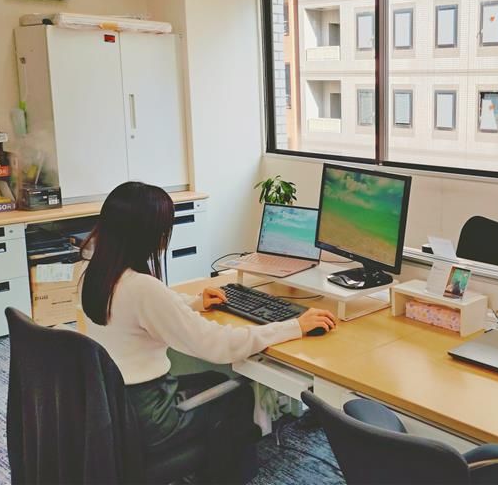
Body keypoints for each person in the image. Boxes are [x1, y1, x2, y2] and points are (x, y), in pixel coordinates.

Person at [80, 182, 336, 484]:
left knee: (215, 380)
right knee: (238, 396)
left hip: (113, 405)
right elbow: (218, 345)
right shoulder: (143, 288)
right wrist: (294, 326)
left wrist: (194, 303)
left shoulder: (90, 272)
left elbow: (142, 309)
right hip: (151, 416)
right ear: (145, 234)